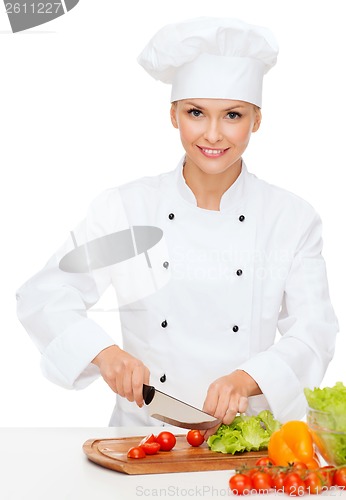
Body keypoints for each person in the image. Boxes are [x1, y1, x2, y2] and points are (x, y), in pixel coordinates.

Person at [16, 17, 338, 436]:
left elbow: (315, 331)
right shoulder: (127, 208)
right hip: (143, 438)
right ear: (173, 115)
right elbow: (44, 295)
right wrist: (105, 352)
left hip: (246, 443)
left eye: (233, 115)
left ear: (257, 120)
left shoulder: (291, 218)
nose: (213, 134)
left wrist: (247, 379)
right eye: (196, 113)